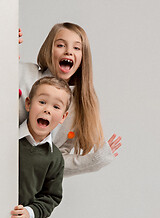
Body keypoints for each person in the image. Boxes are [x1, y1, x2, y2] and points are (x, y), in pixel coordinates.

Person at [18, 23, 122, 177]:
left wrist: (94, 161)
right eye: (60, 45)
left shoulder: (77, 107)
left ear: (82, 57)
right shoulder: (24, 73)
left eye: (77, 48)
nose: (68, 51)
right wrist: (3, 46)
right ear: (49, 50)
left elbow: (55, 161)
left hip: (26, 189)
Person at [11, 76, 72, 218]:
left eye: (56, 106)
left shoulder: (55, 158)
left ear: (63, 117)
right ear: (28, 104)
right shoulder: (7, 139)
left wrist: (29, 213)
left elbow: (51, 197)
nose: (47, 110)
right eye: (42, 102)